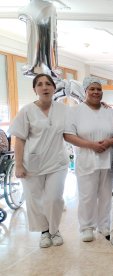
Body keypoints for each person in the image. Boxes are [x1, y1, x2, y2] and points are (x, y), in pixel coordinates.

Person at [9, 73, 68, 248]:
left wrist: (101, 106)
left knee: (54, 199)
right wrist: (18, 165)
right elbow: (19, 139)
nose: (45, 87)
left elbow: (79, 119)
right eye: (40, 84)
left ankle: (54, 230)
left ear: (54, 88)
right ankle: (44, 231)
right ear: (35, 89)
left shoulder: (64, 110)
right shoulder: (26, 111)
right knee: (35, 199)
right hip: (32, 163)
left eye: (48, 84)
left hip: (57, 162)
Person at [64, 77, 113, 242]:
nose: (96, 92)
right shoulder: (74, 111)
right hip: (86, 159)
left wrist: (110, 141)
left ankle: (104, 225)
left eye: (98, 89)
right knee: (87, 195)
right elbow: (68, 135)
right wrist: (90, 145)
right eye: (92, 89)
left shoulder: (108, 111)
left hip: (107, 159)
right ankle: (86, 227)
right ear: (85, 92)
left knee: (105, 195)